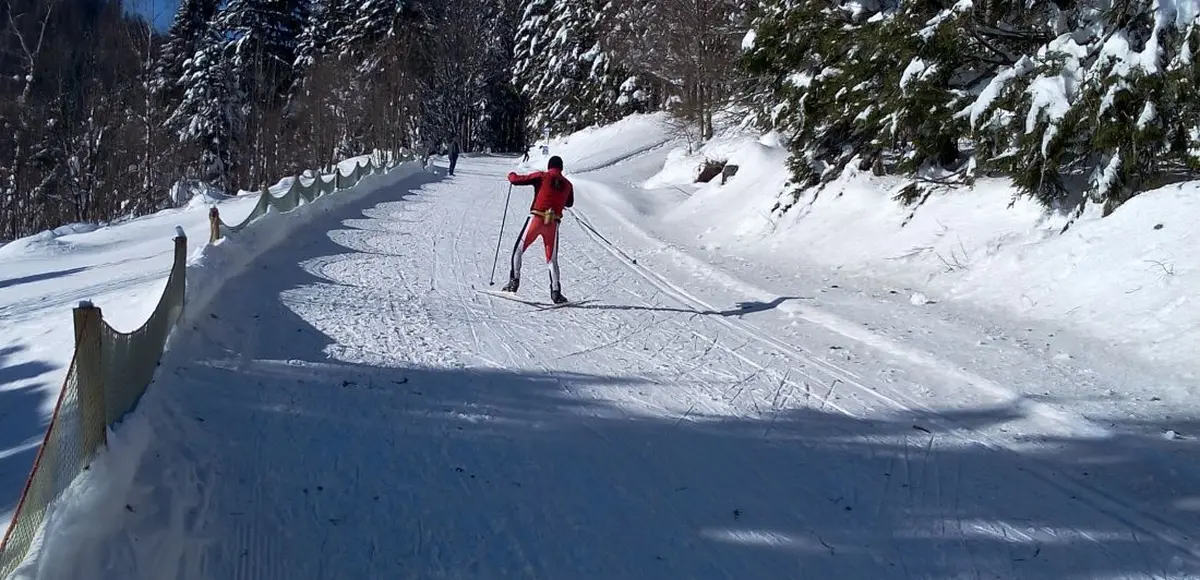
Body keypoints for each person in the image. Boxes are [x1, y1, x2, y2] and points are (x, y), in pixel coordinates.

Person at [502, 155, 574, 304]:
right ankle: (556, 292)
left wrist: (511, 175)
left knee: (518, 250)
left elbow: (516, 180)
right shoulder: (568, 184)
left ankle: (514, 282)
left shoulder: (542, 176)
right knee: (552, 259)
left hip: (536, 219)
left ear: (549, 166)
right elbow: (569, 203)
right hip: (553, 223)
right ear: (561, 168)